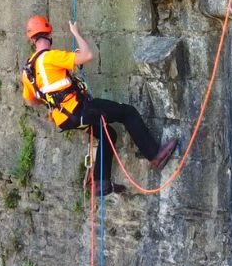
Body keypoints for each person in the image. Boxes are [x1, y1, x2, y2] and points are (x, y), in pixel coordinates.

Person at [20, 15, 178, 196]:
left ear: (31, 39)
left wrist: (53, 99)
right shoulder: (51, 57)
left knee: (107, 133)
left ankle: (100, 183)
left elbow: (30, 100)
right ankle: (154, 155)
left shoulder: (28, 70)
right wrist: (76, 33)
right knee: (127, 112)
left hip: (64, 119)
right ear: (49, 34)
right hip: (80, 110)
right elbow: (87, 55)